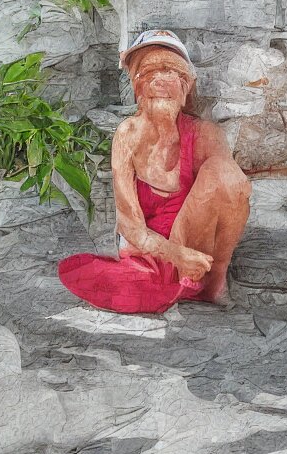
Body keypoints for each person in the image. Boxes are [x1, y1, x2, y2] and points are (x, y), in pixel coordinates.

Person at [58, 30, 251, 313]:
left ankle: (212, 283)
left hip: (197, 254)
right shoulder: (127, 135)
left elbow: (233, 192)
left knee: (227, 174)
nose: (159, 80)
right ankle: (168, 285)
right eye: (147, 72)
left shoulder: (204, 133)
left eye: (169, 71)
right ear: (137, 88)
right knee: (99, 277)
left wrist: (190, 256)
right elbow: (129, 225)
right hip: (149, 254)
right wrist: (174, 254)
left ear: (185, 87)